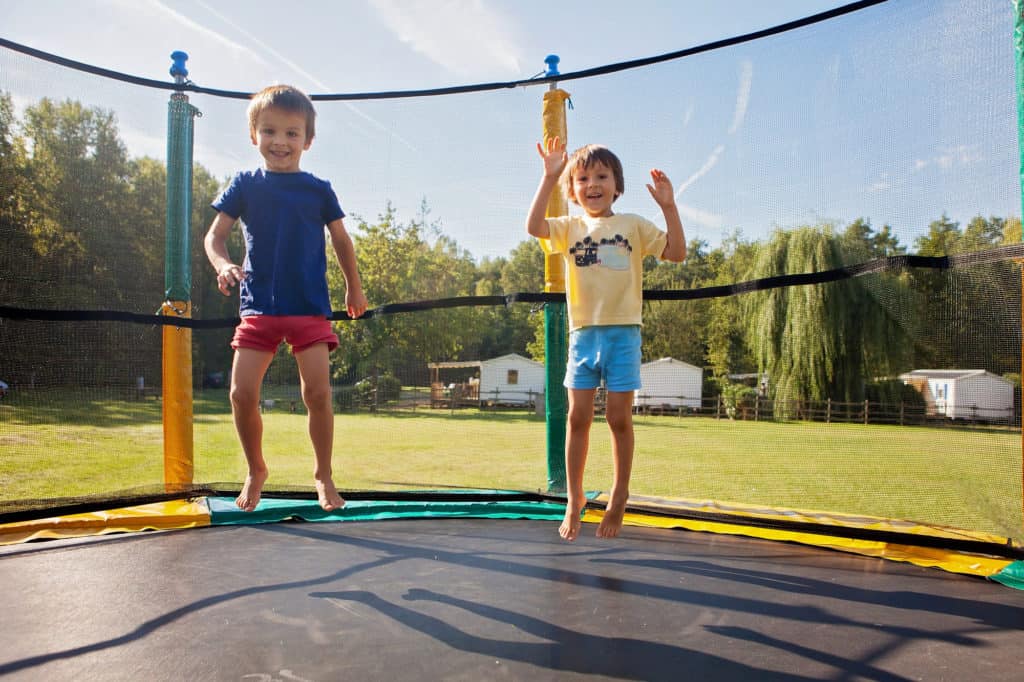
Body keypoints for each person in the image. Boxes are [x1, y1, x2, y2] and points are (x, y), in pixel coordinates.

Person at [204, 84, 368, 513]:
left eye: (292, 133)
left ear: (308, 141)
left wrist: (354, 285)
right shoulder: (244, 185)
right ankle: (256, 468)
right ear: (253, 135)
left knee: (317, 394)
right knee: (241, 394)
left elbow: (341, 240)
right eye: (270, 131)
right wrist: (223, 265)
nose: (280, 141)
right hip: (258, 306)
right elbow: (215, 237)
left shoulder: (318, 189)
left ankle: (323, 474)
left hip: (308, 307)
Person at [526, 138, 686, 541]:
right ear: (572, 189)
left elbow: (678, 252)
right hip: (582, 336)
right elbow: (533, 228)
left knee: (618, 419)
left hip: (623, 335)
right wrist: (549, 176)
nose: (592, 184)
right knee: (577, 418)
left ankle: (618, 496)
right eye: (582, 178)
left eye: (601, 176)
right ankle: (574, 497)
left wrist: (668, 206)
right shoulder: (569, 228)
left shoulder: (632, 224)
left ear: (618, 185)